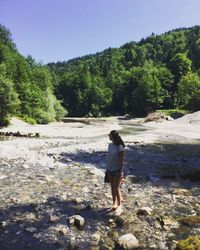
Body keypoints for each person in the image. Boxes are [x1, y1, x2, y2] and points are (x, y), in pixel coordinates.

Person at [106, 130, 125, 212]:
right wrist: (107, 169)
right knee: (112, 187)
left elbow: (121, 160)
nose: (108, 136)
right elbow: (109, 157)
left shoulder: (120, 147)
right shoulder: (110, 145)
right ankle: (114, 203)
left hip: (117, 170)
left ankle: (119, 204)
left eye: (109, 135)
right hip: (109, 169)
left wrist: (121, 172)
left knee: (116, 188)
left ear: (113, 137)